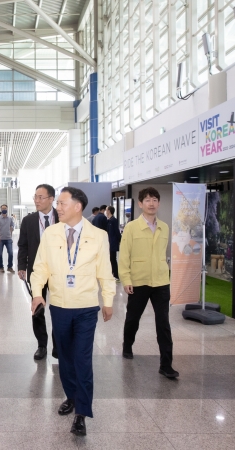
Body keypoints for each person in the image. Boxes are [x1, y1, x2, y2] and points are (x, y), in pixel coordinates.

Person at [30, 187, 115, 437]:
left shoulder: (98, 236)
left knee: (82, 358)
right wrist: (37, 294)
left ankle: (82, 413)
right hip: (59, 305)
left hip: (86, 307)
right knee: (65, 357)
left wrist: (107, 300)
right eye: (58, 203)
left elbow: (105, 272)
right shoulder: (51, 233)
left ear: (78, 206)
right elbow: (40, 267)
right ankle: (71, 397)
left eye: (63, 203)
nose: (58, 207)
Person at [119, 187, 178, 379]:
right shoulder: (131, 227)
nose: (151, 203)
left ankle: (166, 364)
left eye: (155, 200)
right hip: (139, 281)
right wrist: (126, 279)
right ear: (140, 204)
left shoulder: (164, 227)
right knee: (133, 319)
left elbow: (162, 254)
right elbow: (124, 255)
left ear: (159, 203)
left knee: (163, 323)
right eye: (147, 200)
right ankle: (127, 345)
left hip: (161, 281)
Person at [17, 184, 59, 361]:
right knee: (38, 309)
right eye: (35, 197)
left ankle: (58, 346)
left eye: (41, 197)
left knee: (59, 309)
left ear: (51, 199)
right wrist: (21, 266)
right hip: (36, 270)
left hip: (59, 271)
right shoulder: (29, 220)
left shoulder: (62, 217)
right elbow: (23, 245)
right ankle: (42, 345)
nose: (37, 200)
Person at [0, 204, 15, 273]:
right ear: (1, 209)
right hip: (0, 239)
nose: (4, 209)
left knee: (10, 253)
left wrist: (12, 229)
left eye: (5, 208)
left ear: (7, 209)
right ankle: (1, 267)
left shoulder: (10, 218)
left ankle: (10, 267)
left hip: (8, 238)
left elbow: (12, 226)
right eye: (3, 208)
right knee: (0, 254)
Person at [106, 206, 121, 281]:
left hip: (113, 242)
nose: (106, 211)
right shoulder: (109, 220)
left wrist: (120, 240)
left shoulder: (113, 220)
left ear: (109, 211)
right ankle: (112, 273)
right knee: (111, 259)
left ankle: (116, 275)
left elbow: (116, 231)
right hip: (109, 242)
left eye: (106, 210)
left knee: (113, 259)